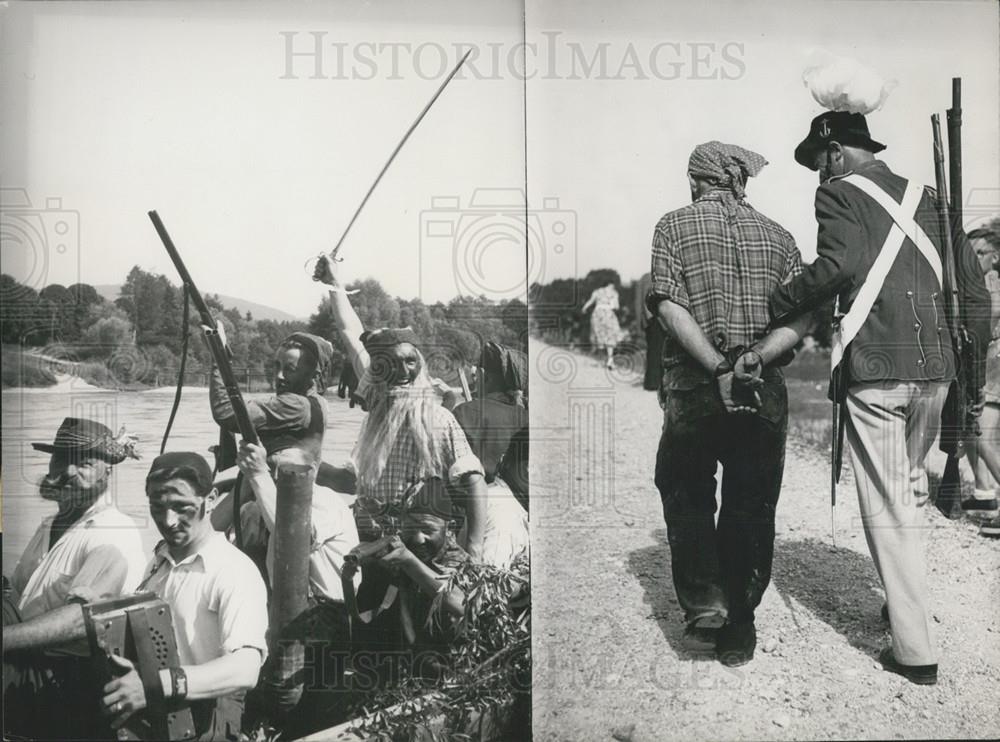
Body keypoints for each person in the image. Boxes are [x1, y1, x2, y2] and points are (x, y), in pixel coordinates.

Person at [766, 111, 991, 684]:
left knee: (890, 506)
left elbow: (837, 268)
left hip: (875, 369)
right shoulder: (934, 197)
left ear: (835, 152)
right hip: (937, 372)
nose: (819, 174)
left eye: (819, 162)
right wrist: (972, 383)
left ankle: (915, 650)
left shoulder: (839, 194)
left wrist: (781, 295)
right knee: (910, 493)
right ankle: (900, 600)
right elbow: (976, 297)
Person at [648, 141, 809, 667]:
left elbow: (670, 307)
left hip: (696, 387)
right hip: (761, 389)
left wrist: (717, 367)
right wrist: (756, 358)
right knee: (751, 502)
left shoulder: (672, 226)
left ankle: (705, 603)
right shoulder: (781, 237)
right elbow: (802, 317)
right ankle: (740, 623)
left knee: (687, 489)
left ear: (697, 180)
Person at [312, 256, 489, 562]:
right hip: (370, 540)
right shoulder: (378, 408)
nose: (403, 370)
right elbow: (350, 333)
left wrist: (474, 548)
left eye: (410, 361)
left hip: (419, 545)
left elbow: (474, 480)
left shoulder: (437, 418)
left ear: (419, 364)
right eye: (392, 363)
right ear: (380, 370)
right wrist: (334, 284)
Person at [101, 452, 269, 739]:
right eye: (157, 507)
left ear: (212, 498)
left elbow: (246, 668)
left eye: (182, 507)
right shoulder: (159, 561)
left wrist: (155, 685)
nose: (168, 521)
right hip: (157, 709)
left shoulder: (233, 570)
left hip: (206, 718)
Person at [3, 417, 146, 740]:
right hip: (26, 665)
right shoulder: (52, 524)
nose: (68, 471)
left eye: (84, 463)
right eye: (61, 459)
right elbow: (16, 596)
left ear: (107, 471)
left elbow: (82, 621)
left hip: (66, 682)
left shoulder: (113, 531)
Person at [343, 477, 469, 688]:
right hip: (407, 671)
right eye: (410, 529)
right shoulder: (406, 548)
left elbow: (462, 604)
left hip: (450, 677)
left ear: (450, 528)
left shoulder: (459, 561)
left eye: (428, 530)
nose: (418, 539)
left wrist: (409, 563)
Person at [452, 341, 530, 566]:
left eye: (476, 373)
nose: (473, 378)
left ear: (486, 376)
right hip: (516, 516)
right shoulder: (526, 418)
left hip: (471, 517)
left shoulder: (465, 412)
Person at [964, 226, 1000, 536]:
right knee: (972, 431)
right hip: (989, 365)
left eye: (980, 253)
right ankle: (984, 492)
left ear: (995, 256)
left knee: (981, 437)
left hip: (993, 367)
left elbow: (984, 330)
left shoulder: (991, 285)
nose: (974, 259)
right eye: (970, 252)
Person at [582, 280, 627, 369]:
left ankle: (601, 360)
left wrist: (584, 308)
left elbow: (590, 301)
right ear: (611, 285)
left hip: (597, 314)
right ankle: (610, 360)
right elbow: (616, 306)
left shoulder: (597, 291)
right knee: (610, 337)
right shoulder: (614, 293)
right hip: (608, 314)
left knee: (599, 336)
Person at [635, 272, 665, 391]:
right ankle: (658, 382)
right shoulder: (657, 277)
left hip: (648, 319)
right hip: (658, 317)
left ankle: (651, 382)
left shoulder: (643, 278)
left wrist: (640, 323)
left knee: (652, 350)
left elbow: (638, 302)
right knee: (660, 350)